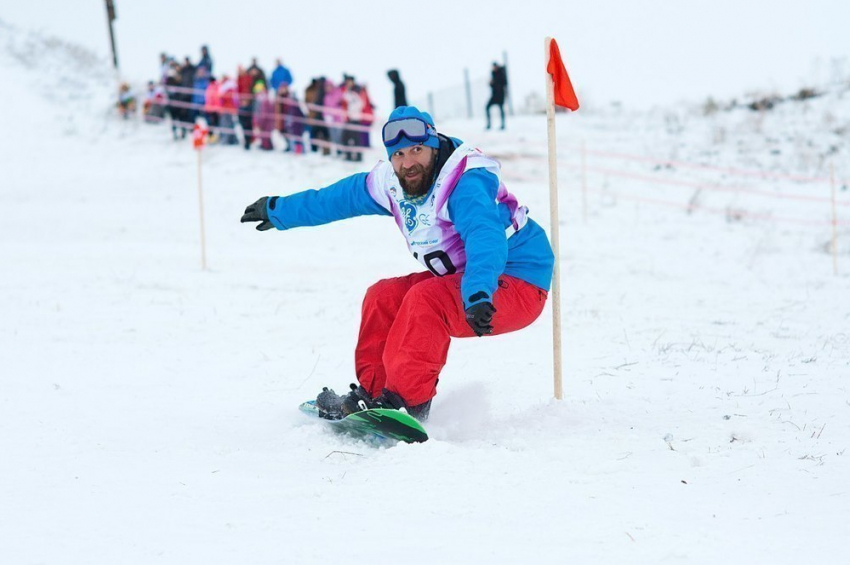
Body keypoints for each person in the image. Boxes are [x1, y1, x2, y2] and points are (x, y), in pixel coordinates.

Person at [240, 106, 554, 421]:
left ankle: (407, 403)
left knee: (426, 300)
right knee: (384, 296)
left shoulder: (464, 182)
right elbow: (337, 199)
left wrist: (477, 292)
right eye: (399, 154)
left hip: (514, 281)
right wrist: (279, 211)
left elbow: (484, 236)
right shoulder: (393, 183)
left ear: (433, 146)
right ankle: (375, 395)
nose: (408, 163)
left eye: (417, 150)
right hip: (473, 279)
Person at [252, 82, 275, 151]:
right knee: (264, 134)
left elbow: (263, 111)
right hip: (264, 119)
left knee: (265, 134)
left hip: (265, 119)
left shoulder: (264, 99)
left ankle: (267, 146)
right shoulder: (262, 98)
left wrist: (260, 121)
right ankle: (266, 145)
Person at [218, 74, 240, 145]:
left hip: (228, 109)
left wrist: (221, 96)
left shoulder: (229, 88)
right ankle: (232, 139)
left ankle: (228, 139)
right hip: (226, 109)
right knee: (228, 124)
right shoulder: (225, 88)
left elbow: (229, 98)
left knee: (227, 124)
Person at [237, 65, 255, 149]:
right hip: (241, 104)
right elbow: (238, 90)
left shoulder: (248, 78)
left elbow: (250, 88)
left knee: (249, 124)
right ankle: (246, 141)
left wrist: (248, 99)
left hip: (249, 103)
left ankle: (249, 141)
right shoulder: (238, 79)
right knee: (243, 124)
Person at [486, 62, 508, 130]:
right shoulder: (493, 74)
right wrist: (491, 83)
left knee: (501, 109)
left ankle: (503, 125)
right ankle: (489, 124)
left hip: (500, 95)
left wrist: (495, 82)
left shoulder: (502, 73)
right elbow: (492, 85)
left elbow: (504, 83)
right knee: (487, 107)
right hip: (494, 95)